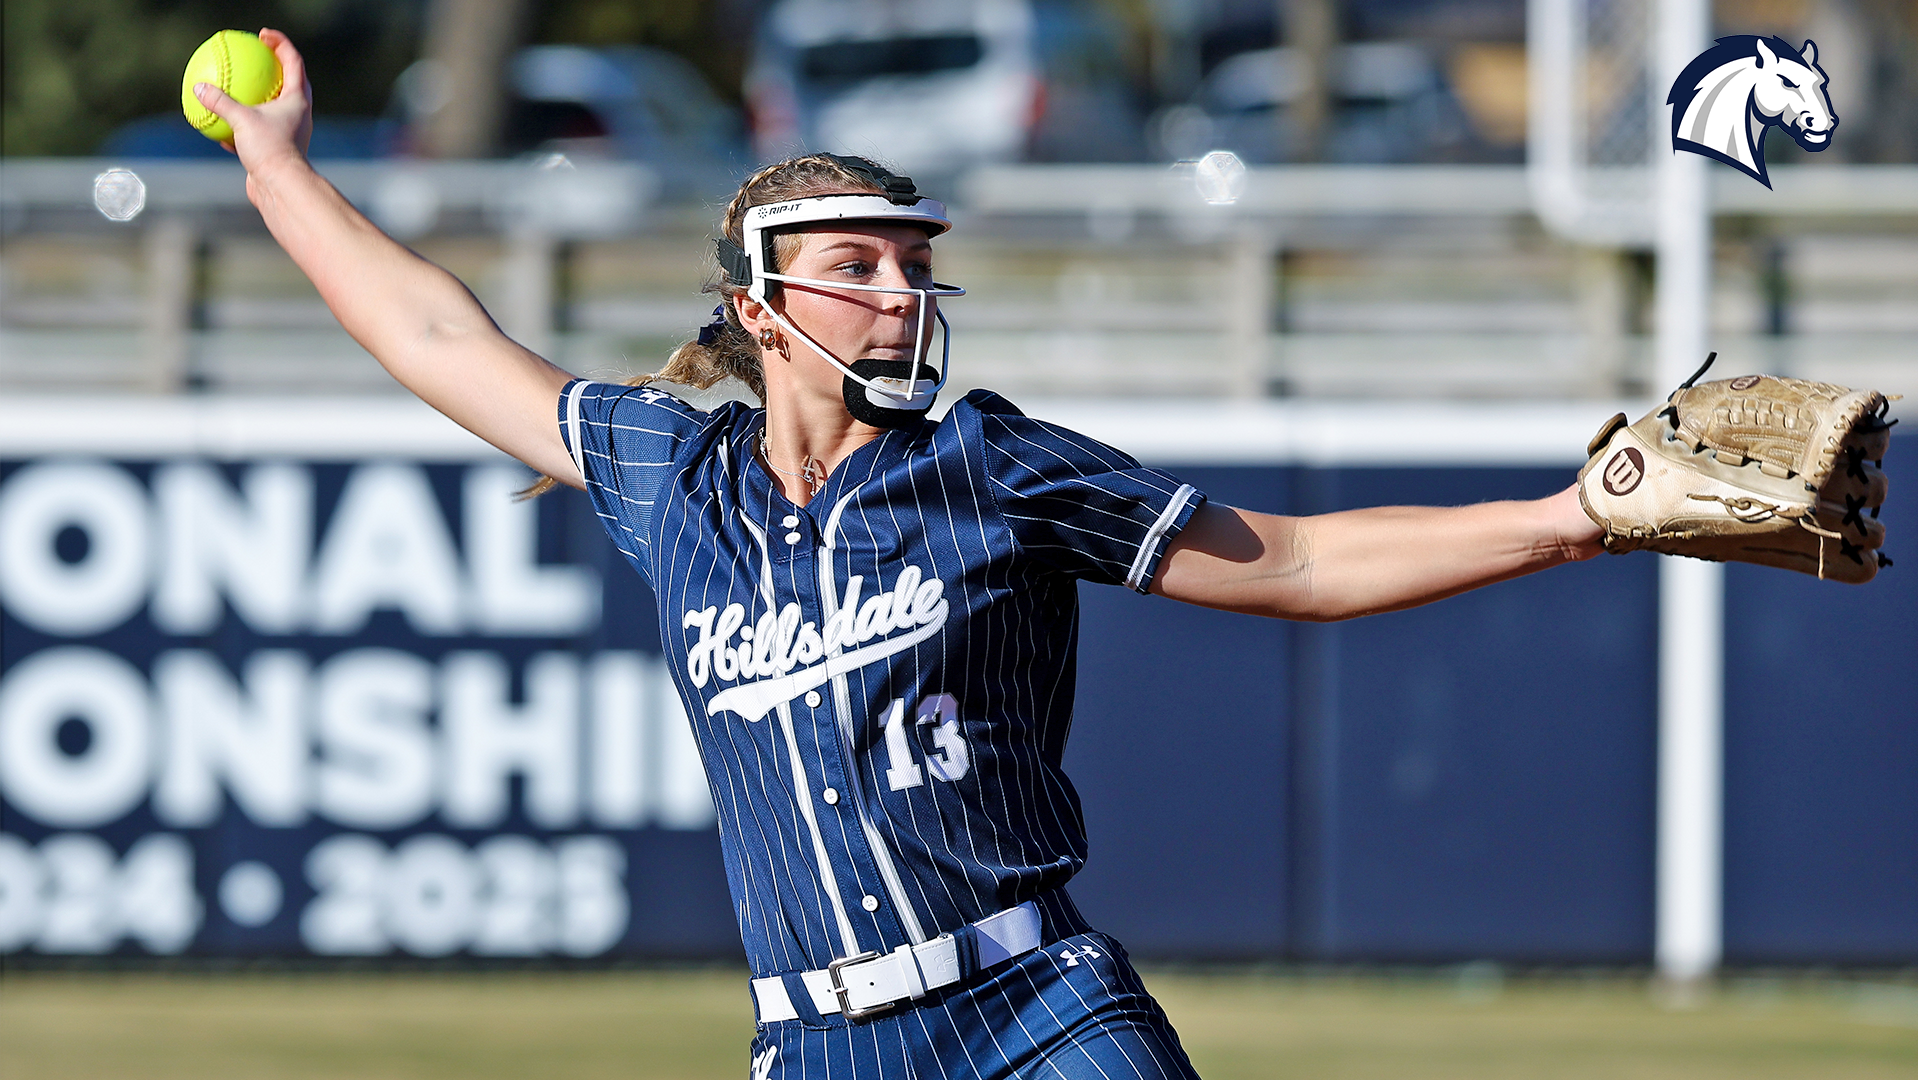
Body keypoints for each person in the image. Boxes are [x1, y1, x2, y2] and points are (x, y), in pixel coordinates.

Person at [197, 32, 1605, 1079]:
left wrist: (1572, 517)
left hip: (1043, 1011)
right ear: (757, 304)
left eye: (911, 265)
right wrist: (278, 171)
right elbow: (439, 338)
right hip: (817, 1047)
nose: (900, 293)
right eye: (857, 266)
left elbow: (1293, 565)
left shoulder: (986, 463)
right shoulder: (669, 478)